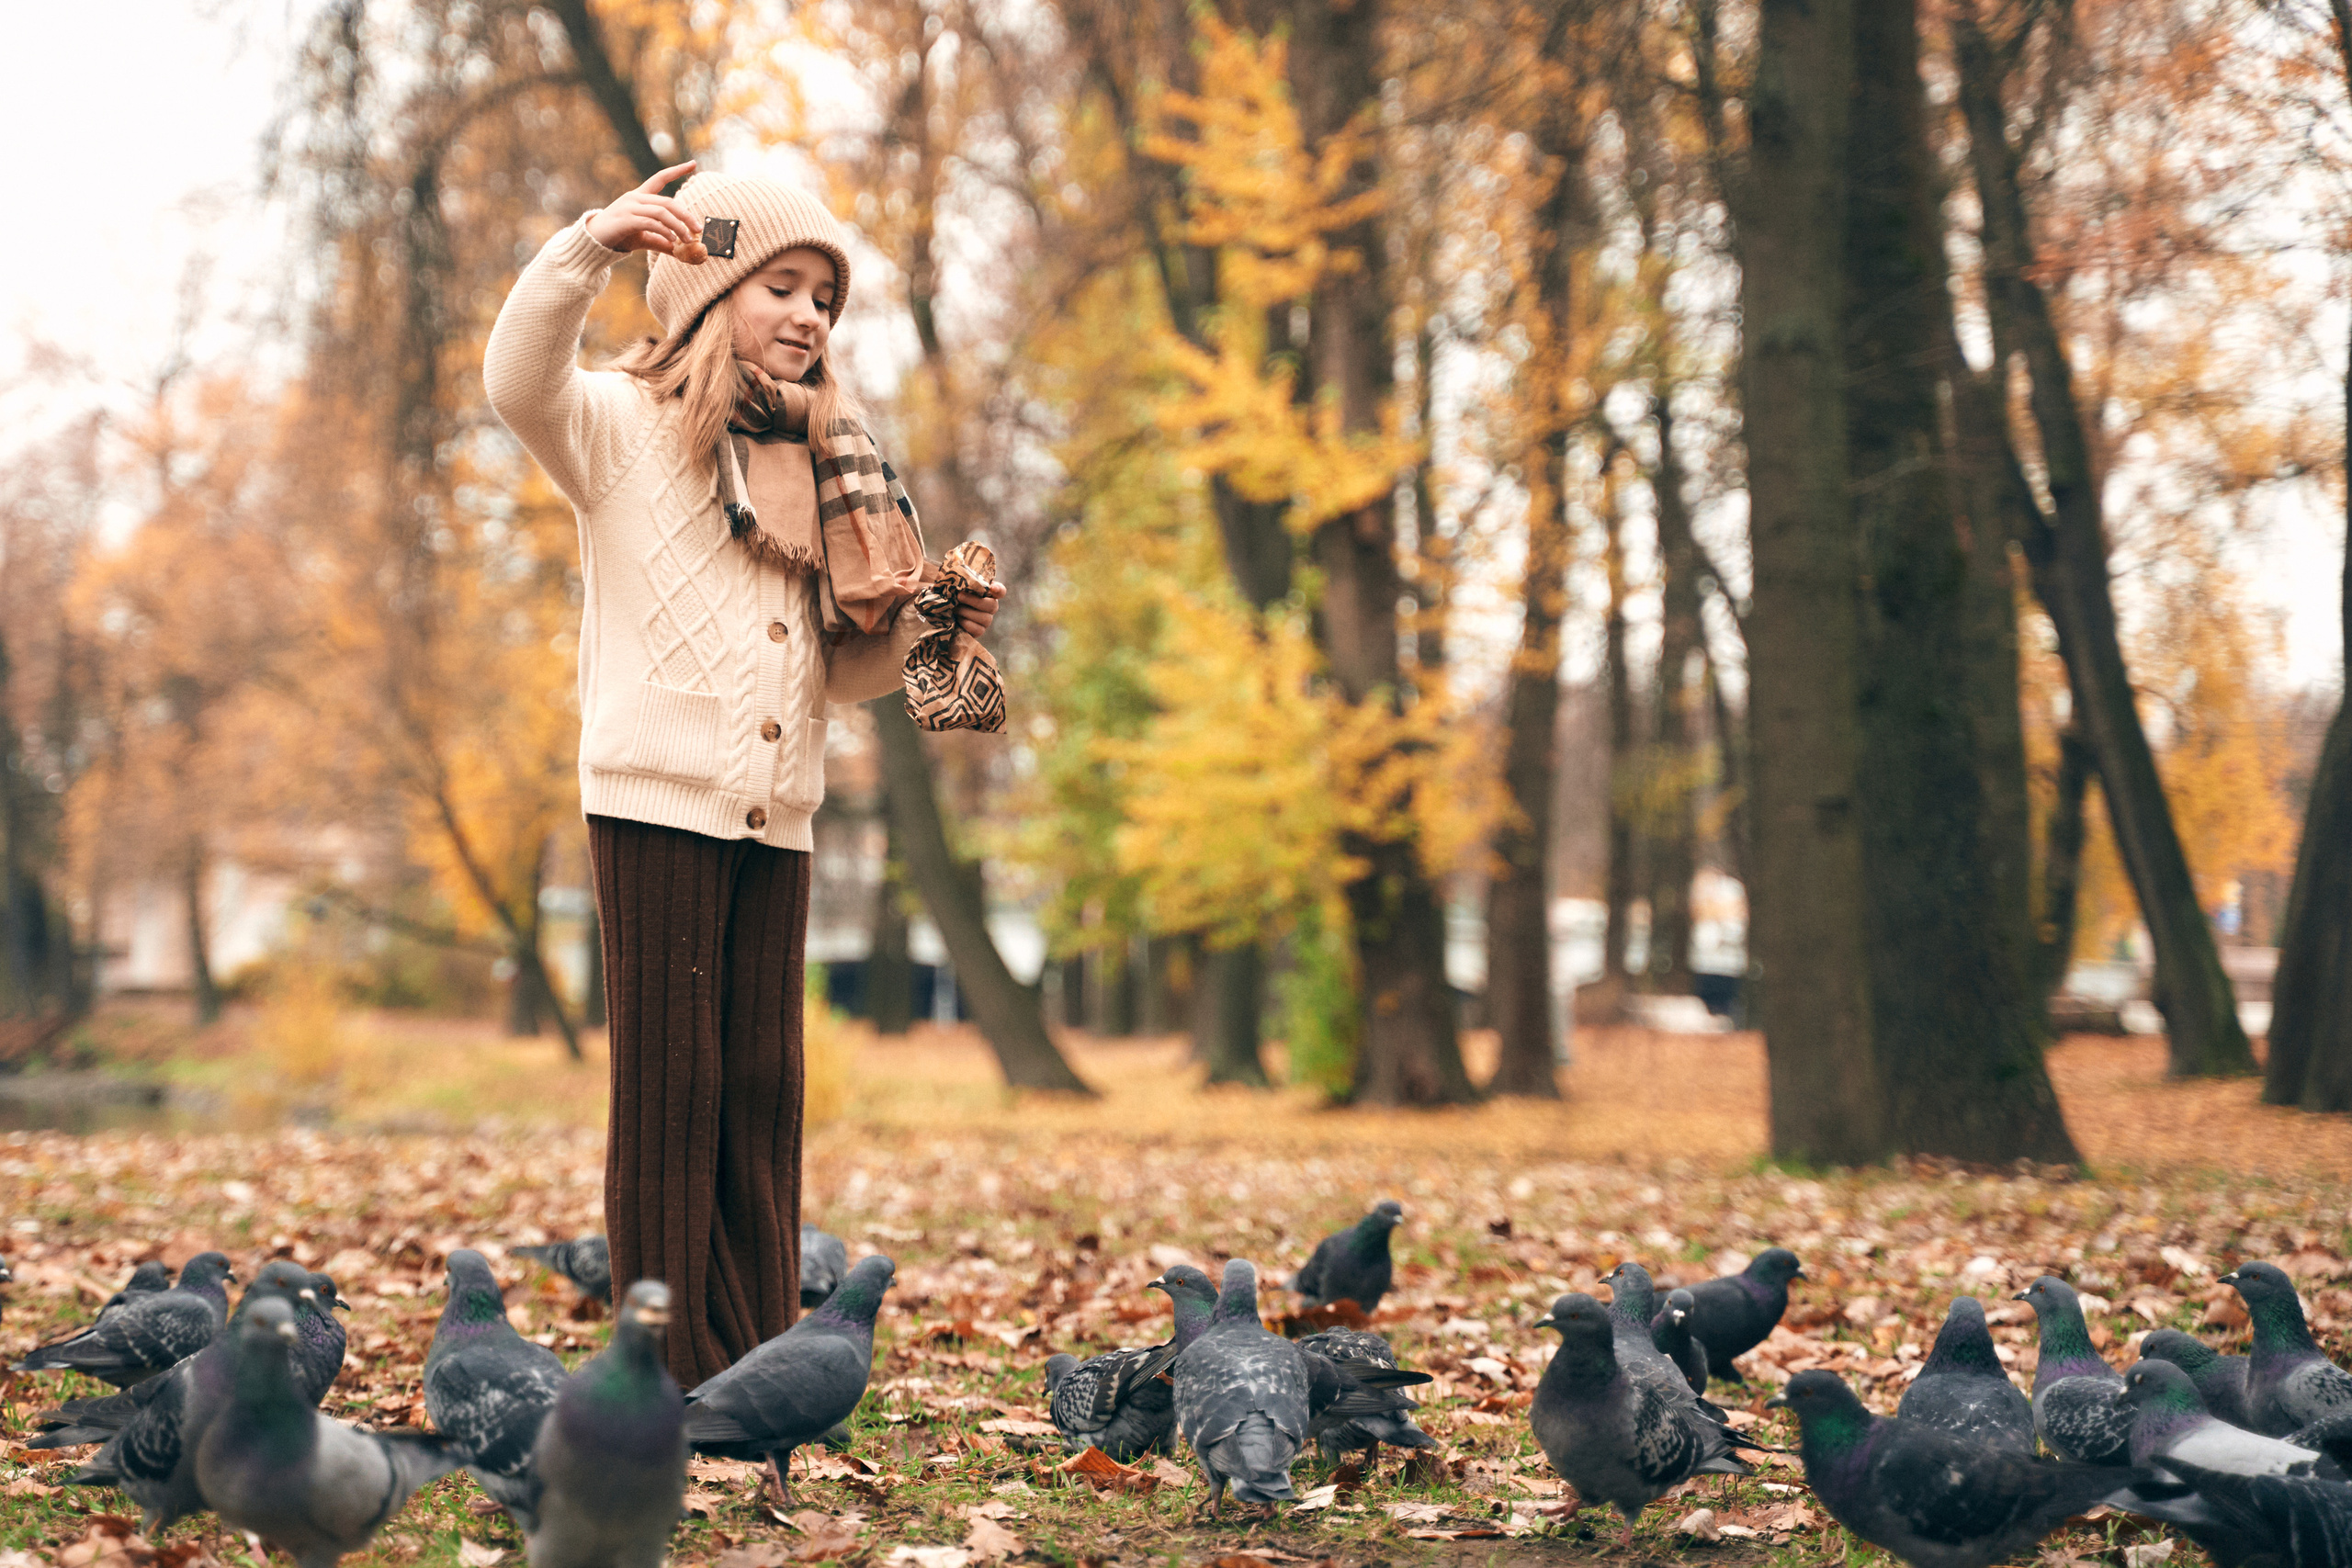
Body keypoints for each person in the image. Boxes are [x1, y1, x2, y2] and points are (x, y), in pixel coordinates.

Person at [483, 161, 1001, 1385]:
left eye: (828, 295)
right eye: (784, 284)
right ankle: (661, 1373)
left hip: (780, 818)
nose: (812, 315)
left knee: (762, 1090)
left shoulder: (822, 464)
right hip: (656, 801)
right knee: (674, 1092)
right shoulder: (616, 426)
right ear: (714, 293)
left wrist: (926, 630)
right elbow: (516, 379)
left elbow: (836, 673)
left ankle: (757, 1361)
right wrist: (592, 242)